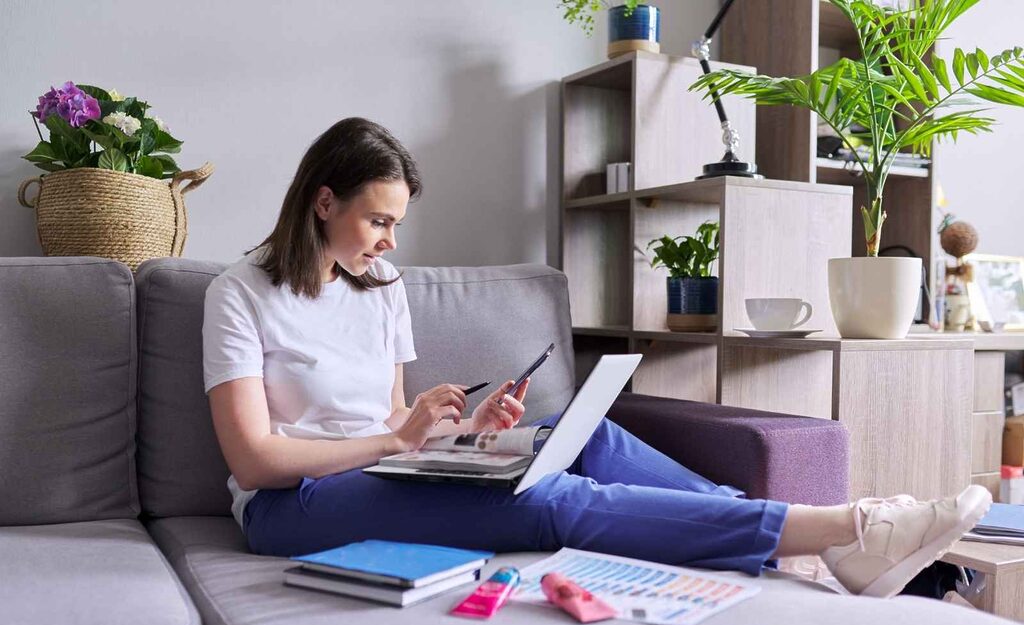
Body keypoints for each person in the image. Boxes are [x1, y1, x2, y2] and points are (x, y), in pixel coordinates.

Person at [203, 117, 991, 599]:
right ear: (323, 200)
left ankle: (795, 542)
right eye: (377, 221)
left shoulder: (381, 287)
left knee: (586, 440)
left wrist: (459, 431)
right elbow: (257, 455)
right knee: (548, 504)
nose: (390, 242)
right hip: (292, 506)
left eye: (397, 224)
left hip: (382, 470)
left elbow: (389, 420)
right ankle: (847, 527)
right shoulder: (239, 294)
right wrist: (398, 441)